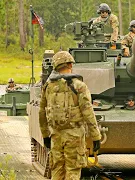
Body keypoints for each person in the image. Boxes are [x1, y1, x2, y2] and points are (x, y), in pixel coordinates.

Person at [39, 51, 101, 179]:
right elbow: (87, 111)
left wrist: (45, 135)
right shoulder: (78, 85)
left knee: (57, 170)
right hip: (74, 135)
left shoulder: (48, 86)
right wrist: (96, 136)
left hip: (56, 135)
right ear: (69, 64)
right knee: (72, 170)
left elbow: (42, 112)